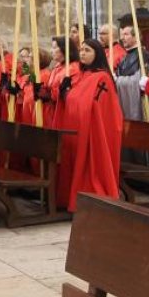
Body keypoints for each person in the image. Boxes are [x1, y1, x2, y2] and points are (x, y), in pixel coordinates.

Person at [54, 38, 122, 212]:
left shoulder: (102, 77)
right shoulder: (84, 75)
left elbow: (90, 105)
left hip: (94, 133)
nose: (83, 53)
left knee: (89, 169)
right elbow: (76, 101)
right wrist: (64, 93)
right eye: (82, 50)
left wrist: (69, 95)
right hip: (78, 130)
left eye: (88, 50)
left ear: (97, 54)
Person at [114, 25, 149, 121]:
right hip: (123, 100)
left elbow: (140, 80)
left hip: (135, 103)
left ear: (136, 37)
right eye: (122, 35)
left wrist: (119, 81)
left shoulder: (143, 55)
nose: (122, 38)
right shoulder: (124, 57)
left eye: (126, 34)